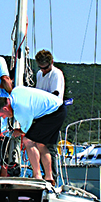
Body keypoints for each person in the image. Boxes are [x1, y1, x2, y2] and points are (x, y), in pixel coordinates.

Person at [0, 86, 65, 184]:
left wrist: (18, 131)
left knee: (28, 141)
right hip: (56, 108)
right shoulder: (15, 92)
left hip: (54, 113)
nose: (4, 118)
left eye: (2, 115)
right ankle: (49, 177)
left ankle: (37, 176)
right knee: (41, 144)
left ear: (5, 108)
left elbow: (25, 130)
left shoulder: (19, 111)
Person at [35, 49, 65, 182]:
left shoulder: (56, 74)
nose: (44, 71)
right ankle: (44, 175)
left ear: (51, 62)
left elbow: (54, 96)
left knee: (49, 147)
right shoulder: (39, 74)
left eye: (46, 68)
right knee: (38, 146)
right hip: (41, 115)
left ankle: (53, 178)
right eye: (41, 68)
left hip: (53, 113)